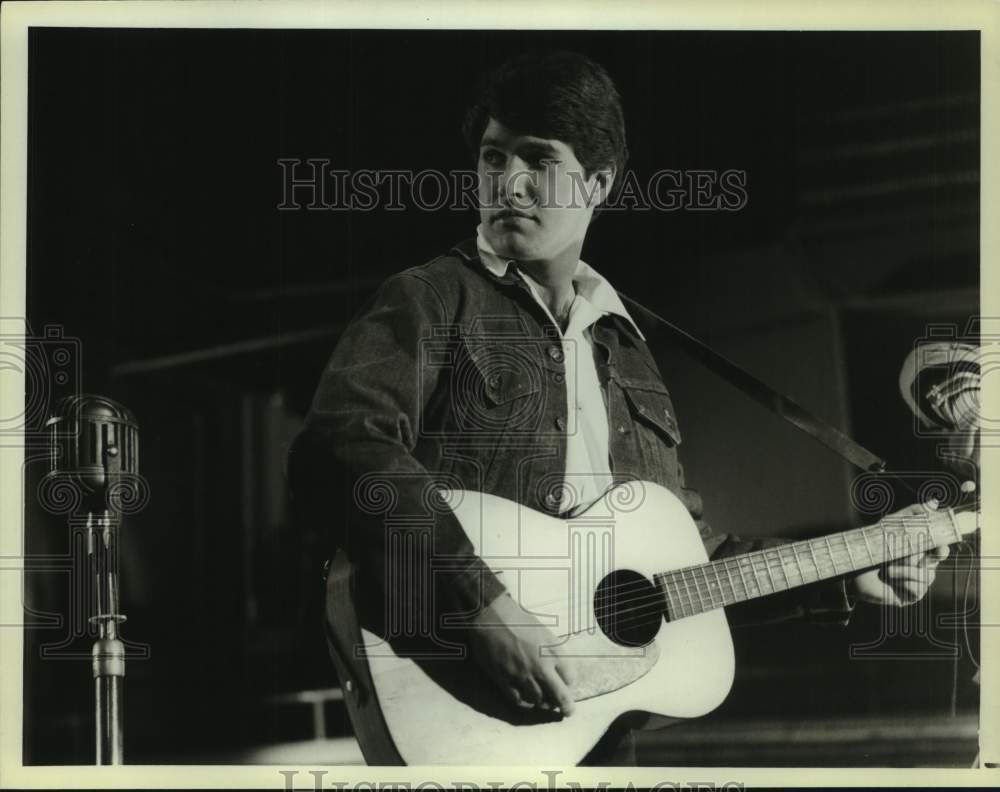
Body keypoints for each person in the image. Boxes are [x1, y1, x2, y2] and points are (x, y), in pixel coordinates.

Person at [288, 51, 948, 765]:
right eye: (492, 157)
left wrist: (848, 573)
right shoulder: (430, 297)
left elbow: (680, 564)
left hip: (604, 733)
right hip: (463, 712)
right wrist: (480, 607)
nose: (509, 182)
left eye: (538, 159)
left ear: (597, 182)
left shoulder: (628, 351)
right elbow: (343, 445)